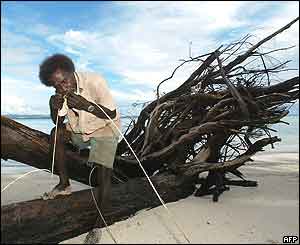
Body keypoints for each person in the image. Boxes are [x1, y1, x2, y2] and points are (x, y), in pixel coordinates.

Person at [39, 54, 121, 242]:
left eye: (64, 82)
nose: (62, 87)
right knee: (56, 133)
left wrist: (87, 106)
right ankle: (64, 184)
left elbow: (111, 113)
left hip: (104, 128)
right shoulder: (61, 90)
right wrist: (53, 107)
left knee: (103, 173)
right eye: (56, 86)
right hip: (80, 130)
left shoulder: (95, 81)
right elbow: (58, 122)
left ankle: (98, 225)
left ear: (71, 72)